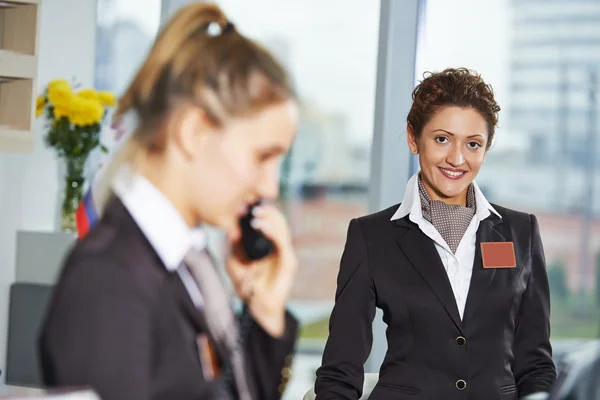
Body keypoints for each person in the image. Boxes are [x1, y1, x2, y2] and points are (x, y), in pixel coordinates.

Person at [38, 3, 299, 400]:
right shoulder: (108, 279)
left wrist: (264, 312)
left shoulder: (187, 270)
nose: (270, 188)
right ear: (194, 131)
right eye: (263, 157)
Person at [314, 68, 556, 399]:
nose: (457, 158)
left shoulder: (520, 232)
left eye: (473, 144)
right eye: (442, 139)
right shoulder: (371, 236)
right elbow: (340, 371)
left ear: (486, 149)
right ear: (414, 138)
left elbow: (536, 365)